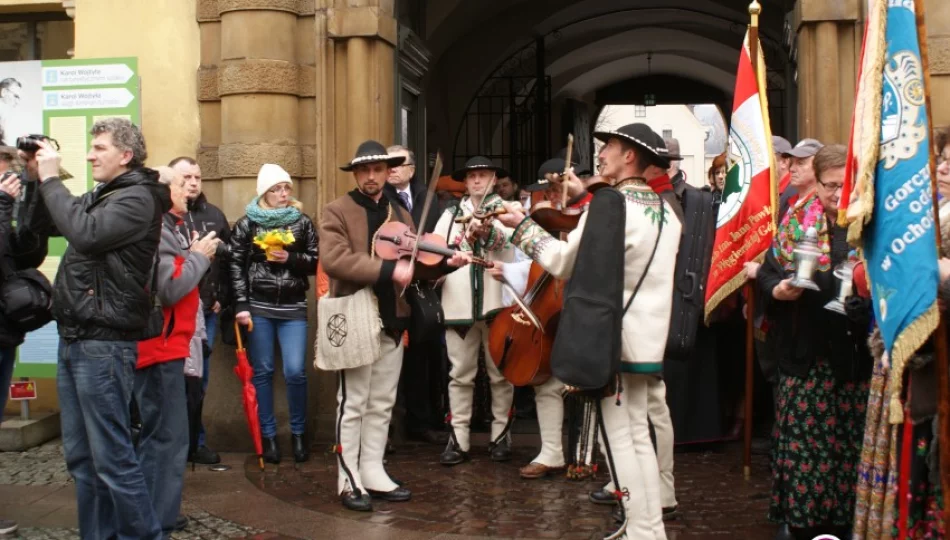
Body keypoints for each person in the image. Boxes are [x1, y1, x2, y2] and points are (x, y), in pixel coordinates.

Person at [498, 122, 681, 539]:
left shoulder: (609, 204)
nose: (600, 156)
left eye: (609, 148)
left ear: (630, 156)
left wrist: (520, 226)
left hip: (611, 340)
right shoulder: (666, 211)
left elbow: (562, 262)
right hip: (648, 339)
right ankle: (648, 529)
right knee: (638, 436)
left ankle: (640, 531)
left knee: (622, 442)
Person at [25, 118, 171, 539]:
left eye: (100, 148)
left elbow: (85, 234)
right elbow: (46, 225)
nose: (90, 155)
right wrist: (38, 181)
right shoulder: (106, 194)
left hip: (104, 345)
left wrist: (54, 180)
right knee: (83, 462)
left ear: (125, 155)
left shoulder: (138, 198)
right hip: (76, 340)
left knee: (113, 459)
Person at [320, 140, 469, 512]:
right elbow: (336, 260)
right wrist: (388, 269)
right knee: (352, 402)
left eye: (378, 169)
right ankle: (347, 476)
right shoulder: (335, 211)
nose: (372, 177)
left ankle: (372, 470)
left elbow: (414, 257)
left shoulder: (400, 211)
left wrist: (446, 262)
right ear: (356, 173)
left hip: (393, 316)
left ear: (389, 172)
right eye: (364, 170)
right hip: (355, 314)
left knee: (382, 402)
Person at [756, 144, 871, 540]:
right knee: (807, 456)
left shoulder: (868, 224)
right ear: (815, 182)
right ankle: (805, 527)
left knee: (848, 452)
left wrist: (862, 305)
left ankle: (845, 526)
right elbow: (768, 273)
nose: (838, 195)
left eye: (845, 185)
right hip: (804, 354)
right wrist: (777, 290)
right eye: (829, 186)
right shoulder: (796, 221)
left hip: (854, 359)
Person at [135, 166, 220, 536]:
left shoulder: (167, 225)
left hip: (167, 344)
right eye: (180, 181)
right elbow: (169, 288)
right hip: (160, 346)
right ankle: (156, 519)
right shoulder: (157, 228)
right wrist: (199, 257)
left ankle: (156, 512)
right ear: (161, 191)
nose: (190, 187)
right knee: (166, 438)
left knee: (162, 435)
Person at [230, 163, 318, 464]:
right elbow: (235, 266)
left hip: (293, 305)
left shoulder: (302, 222)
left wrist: (290, 258)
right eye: (276, 189)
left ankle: (298, 434)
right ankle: (268, 437)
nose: (283, 194)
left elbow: (316, 260)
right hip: (259, 305)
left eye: (286, 188)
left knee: (295, 371)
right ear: (264, 193)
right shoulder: (247, 224)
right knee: (263, 371)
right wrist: (241, 305)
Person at [434, 156, 517, 466]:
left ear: (494, 178)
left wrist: (487, 234)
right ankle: (458, 438)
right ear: (465, 182)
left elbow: (510, 245)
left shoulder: (509, 211)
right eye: (472, 177)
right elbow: (437, 254)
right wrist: (463, 241)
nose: (478, 181)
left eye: (483, 175)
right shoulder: (450, 214)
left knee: (500, 373)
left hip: (498, 303)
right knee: (460, 374)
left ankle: (500, 435)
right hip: (459, 303)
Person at [384, 144, 449, 445]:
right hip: (392, 286)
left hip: (423, 285)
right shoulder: (381, 199)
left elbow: (436, 235)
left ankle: (424, 420)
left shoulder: (428, 197)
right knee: (392, 356)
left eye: (399, 163)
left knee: (426, 355)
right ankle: (390, 426)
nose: (392, 168)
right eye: (389, 163)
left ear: (411, 169)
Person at [169, 156, 229, 465]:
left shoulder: (214, 216)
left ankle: (196, 441)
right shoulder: (165, 216)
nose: (193, 182)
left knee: (199, 382)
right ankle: (176, 444)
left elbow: (231, 262)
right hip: (174, 312)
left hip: (206, 313)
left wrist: (223, 297)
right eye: (186, 178)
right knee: (174, 381)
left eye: (197, 177)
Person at [0, 78, 21, 146]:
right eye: (15, 96)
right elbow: (7, 141)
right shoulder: (3, 109)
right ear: (4, 92)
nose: (17, 102)